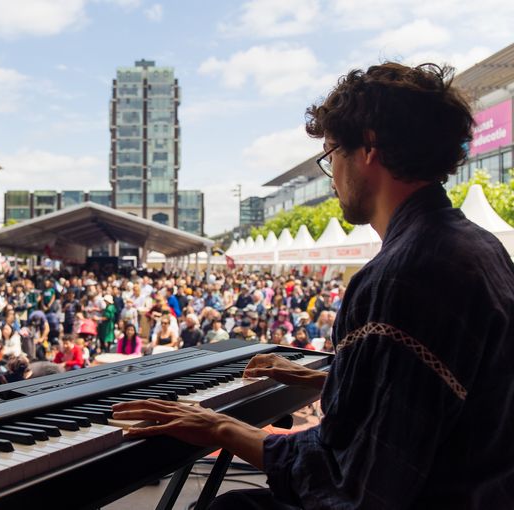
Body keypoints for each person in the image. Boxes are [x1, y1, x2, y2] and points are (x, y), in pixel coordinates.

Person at [112, 62, 514, 509]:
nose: (333, 175)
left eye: (330, 154)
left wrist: (220, 427)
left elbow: (358, 486)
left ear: (369, 147)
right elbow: (429, 395)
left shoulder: (403, 275)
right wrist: (334, 376)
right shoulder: (478, 248)